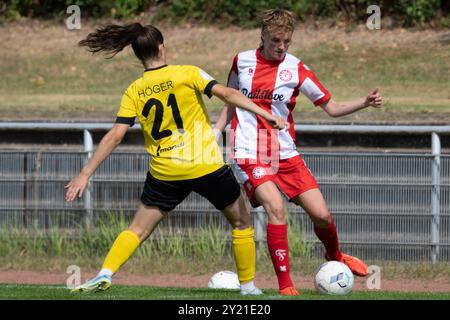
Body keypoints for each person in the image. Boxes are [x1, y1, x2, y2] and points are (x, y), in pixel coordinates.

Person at [65, 22, 289, 296]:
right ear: (162, 48)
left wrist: (85, 173)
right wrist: (267, 114)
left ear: (138, 55)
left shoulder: (134, 90)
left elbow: (115, 135)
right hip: (205, 164)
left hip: (166, 172)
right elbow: (229, 94)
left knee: (137, 229)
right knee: (242, 222)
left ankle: (104, 272)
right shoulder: (188, 73)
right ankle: (248, 287)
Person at [214, 9, 383, 296]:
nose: (281, 46)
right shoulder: (241, 61)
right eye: (276, 40)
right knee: (275, 208)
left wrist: (364, 102)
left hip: (285, 154)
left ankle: (336, 258)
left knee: (322, 216)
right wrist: (216, 132)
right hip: (247, 151)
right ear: (263, 36)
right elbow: (231, 100)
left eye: (287, 41)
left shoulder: (296, 68)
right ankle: (286, 286)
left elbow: (331, 108)